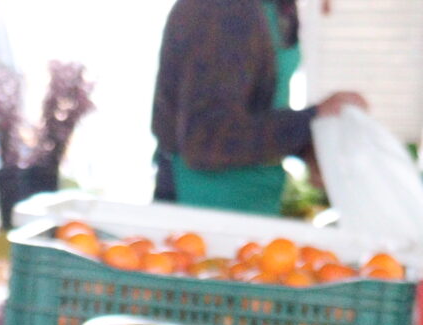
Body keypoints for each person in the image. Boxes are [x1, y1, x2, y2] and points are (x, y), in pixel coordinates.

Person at [151, 0, 365, 215]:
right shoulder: (222, 8)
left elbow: (259, 108)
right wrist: (311, 120)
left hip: (251, 203)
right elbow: (207, 139)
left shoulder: (277, 8)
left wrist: (308, 145)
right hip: (204, 206)